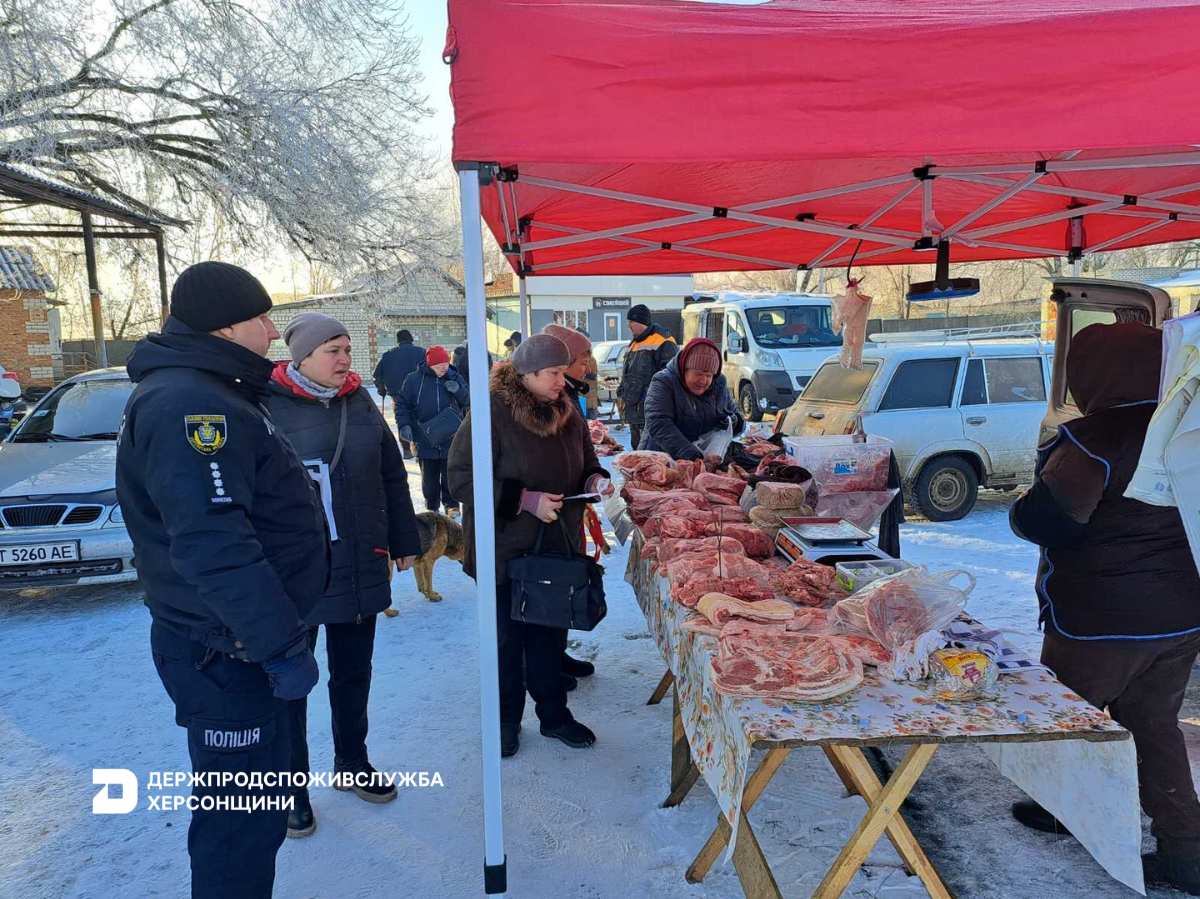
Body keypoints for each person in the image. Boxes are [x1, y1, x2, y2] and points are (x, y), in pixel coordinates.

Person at [116, 261, 330, 899]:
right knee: (238, 821)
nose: (271, 329)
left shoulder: (216, 389)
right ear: (225, 326)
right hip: (228, 649)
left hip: (239, 642)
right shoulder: (192, 403)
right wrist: (279, 644)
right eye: (262, 318)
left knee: (253, 815)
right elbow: (213, 544)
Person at [1009, 322, 1200, 896]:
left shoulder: (1095, 438)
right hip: (1181, 615)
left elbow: (1050, 522)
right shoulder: (1186, 426)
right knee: (1154, 724)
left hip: (1099, 622)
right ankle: (1187, 853)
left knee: (1065, 719)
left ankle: (1065, 812)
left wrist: (1025, 500)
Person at [266, 312, 422, 837]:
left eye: (347, 349)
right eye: (333, 349)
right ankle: (290, 787)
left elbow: (391, 473)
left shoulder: (359, 402)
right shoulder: (265, 405)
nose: (344, 359)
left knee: (353, 672)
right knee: (292, 681)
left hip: (360, 561)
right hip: (295, 572)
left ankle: (353, 761)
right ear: (302, 356)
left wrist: (405, 541)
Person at [448, 334, 610, 758]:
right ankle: (505, 721)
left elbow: (587, 461)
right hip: (505, 550)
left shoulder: (568, 409)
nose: (564, 380)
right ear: (528, 374)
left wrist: (594, 481)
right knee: (508, 641)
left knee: (549, 637)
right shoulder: (492, 413)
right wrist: (523, 500)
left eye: (563, 372)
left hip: (556, 548)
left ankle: (555, 717)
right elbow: (461, 477)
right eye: (555, 374)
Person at [542, 323, 606, 686]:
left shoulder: (569, 396)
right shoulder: (533, 401)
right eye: (582, 361)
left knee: (563, 587)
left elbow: (583, 449)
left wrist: (593, 476)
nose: (588, 367)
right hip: (539, 517)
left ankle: (556, 654)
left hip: (566, 509)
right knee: (545, 592)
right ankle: (539, 666)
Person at [640, 336, 744, 459]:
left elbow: (736, 415)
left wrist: (735, 422)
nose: (704, 381)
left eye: (709, 375)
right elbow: (658, 423)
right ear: (685, 369)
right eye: (698, 374)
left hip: (702, 456)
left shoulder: (719, 384)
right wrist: (693, 457)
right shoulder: (663, 381)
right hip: (661, 458)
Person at [396, 345, 469, 518]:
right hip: (424, 437)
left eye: (445, 363)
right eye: (439, 365)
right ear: (429, 365)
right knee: (429, 478)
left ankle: (452, 506)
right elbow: (402, 404)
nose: (444, 367)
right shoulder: (413, 380)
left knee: (450, 474)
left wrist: (458, 391)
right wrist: (404, 425)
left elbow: (469, 400)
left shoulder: (454, 377)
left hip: (451, 437)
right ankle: (432, 506)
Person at [617, 304, 676, 450]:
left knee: (650, 453)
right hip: (633, 410)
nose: (628, 326)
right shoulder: (635, 342)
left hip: (650, 410)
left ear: (641, 322)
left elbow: (669, 376)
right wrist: (621, 393)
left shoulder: (664, 341)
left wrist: (648, 397)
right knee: (637, 451)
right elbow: (628, 374)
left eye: (631, 322)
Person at [373, 329, 425, 458]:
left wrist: (381, 389)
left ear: (398, 341)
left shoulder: (388, 355)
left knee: (402, 421)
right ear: (411, 339)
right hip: (419, 394)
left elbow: (377, 375)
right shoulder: (421, 352)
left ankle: (406, 450)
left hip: (397, 396)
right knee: (420, 420)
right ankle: (419, 449)